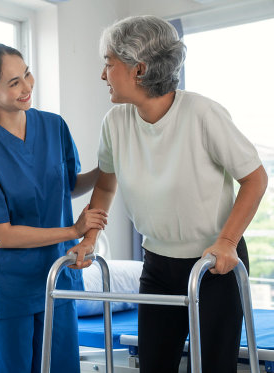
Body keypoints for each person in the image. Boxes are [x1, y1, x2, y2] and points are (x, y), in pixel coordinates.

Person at [69, 16, 268, 373]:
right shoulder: (115, 122)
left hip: (215, 264)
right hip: (158, 264)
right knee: (155, 365)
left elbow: (255, 179)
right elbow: (106, 184)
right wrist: (91, 238)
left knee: (215, 367)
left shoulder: (202, 113)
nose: (102, 75)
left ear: (139, 69)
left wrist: (226, 241)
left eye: (109, 64)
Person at [0, 43, 107, 373]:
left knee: (61, 366)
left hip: (56, 277)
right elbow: (4, 236)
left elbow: (67, 185)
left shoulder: (53, 126)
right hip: (8, 289)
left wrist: (105, 168)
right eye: (13, 83)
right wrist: (73, 231)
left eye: (26, 74)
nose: (26, 87)